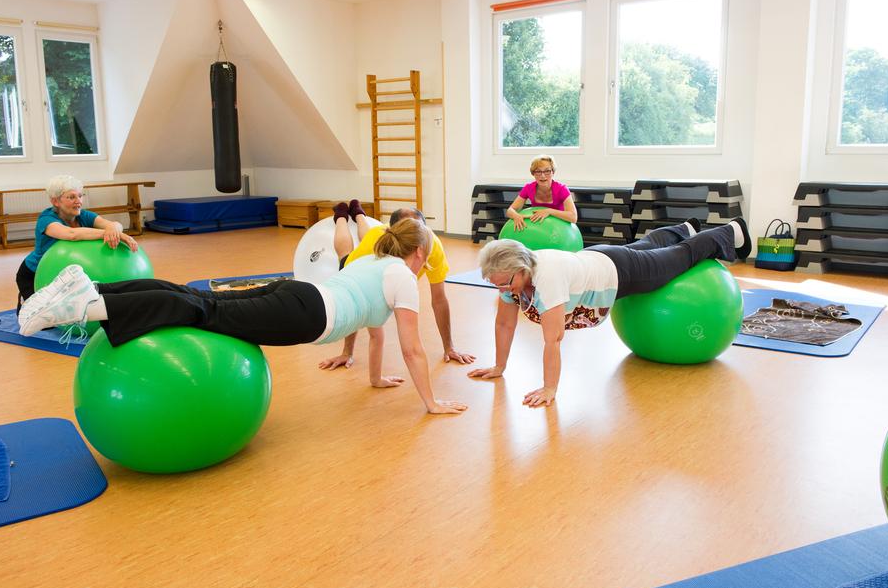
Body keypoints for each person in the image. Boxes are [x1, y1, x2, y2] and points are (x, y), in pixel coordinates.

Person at [18, 217, 467, 416]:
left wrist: (371, 378)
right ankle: (86, 305)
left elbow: (374, 329)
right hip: (306, 314)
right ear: (419, 253)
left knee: (196, 299)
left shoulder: (373, 263)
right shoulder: (404, 278)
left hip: (298, 293)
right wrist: (431, 403)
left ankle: (94, 288)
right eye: (426, 258)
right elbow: (411, 347)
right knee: (199, 309)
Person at [467, 218, 753, 408]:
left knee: (680, 257)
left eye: (505, 283)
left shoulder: (547, 278)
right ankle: (684, 226)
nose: (503, 289)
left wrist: (549, 388)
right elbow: (504, 324)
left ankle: (730, 231)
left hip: (621, 273)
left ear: (522, 269)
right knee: (650, 247)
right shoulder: (511, 278)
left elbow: (552, 339)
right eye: (496, 284)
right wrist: (499, 367)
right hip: (599, 257)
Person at [317, 200, 475, 382]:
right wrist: (347, 352)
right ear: (392, 233)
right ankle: (342, 216)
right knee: (344, 253)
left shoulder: (433, 247)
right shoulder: (376, 240)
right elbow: (355, 298)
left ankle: (359, 213)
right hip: (356, 269)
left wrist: (449, 347)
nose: (417, 241)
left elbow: (439, 300)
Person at [15, 175, 138, 313]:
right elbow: (71, 234)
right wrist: (108, 233)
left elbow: (114, 224)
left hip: (64, 275)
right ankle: (25, 300)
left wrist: (114, 230)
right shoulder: (46, 219)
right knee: (41, 321)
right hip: (34, 273)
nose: (78, 201)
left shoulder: (83, 215)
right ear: (55, 201)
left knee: (65, 315)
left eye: (80, 196)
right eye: (71, 197)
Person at [504, 155, 578, 231]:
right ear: (533, 173)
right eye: (538, 171)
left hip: (558, 230)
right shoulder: (528, 188)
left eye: (547, 171)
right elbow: (510, 210)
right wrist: (516, 216)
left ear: (553, 172)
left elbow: (573, 217)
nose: (542, 176)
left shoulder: (562, 189)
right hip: (538, 229)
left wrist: (549, 211)